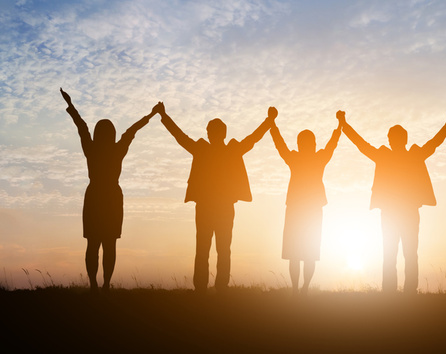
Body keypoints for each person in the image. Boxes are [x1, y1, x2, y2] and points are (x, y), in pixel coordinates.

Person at [155, 102, 276, 293]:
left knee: (205, 249)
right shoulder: (228, 150)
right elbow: (253, 138)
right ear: (223, 134)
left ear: (212, 133)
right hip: (221, 207)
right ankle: (219, 287)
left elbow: (180, 137)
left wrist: (164, 116)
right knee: (221, 249)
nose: (208, 133)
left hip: (209, 207)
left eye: (209, 131)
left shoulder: (204, 149)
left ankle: (203, 288)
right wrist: (269, 121)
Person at [337, 110, 446, 294]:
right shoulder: (407, 155)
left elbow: (361, 145)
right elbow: (434, 143)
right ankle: (403, 291)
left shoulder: (390, 155)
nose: (393, 141)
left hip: (397, 213)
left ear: (395, 140)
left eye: (394, 138)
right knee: (405, 254)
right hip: (400, 213)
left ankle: (393, 292)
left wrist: (344, 124)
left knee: (395, 254)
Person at [61, 88, 157, 293]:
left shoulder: (92, 148)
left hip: (96, 195)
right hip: (110, 196)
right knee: (108, 244)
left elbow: (82, 127)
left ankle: (96, 285)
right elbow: (131, 131)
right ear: (112, 134)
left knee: (94, 244)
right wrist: (150, 115)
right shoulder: (116, 149)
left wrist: (71, 105)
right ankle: (103, 285)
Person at [269, 111, 342, 295]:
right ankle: (301, 289)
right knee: (303, 253)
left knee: (303, 253)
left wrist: (273, 124)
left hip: (303, 210)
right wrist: (340, 126)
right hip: (305, 210)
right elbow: (332, 145)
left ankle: (300, 289)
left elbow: (280, 145)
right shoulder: (315, 158)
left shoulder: (301, 158)